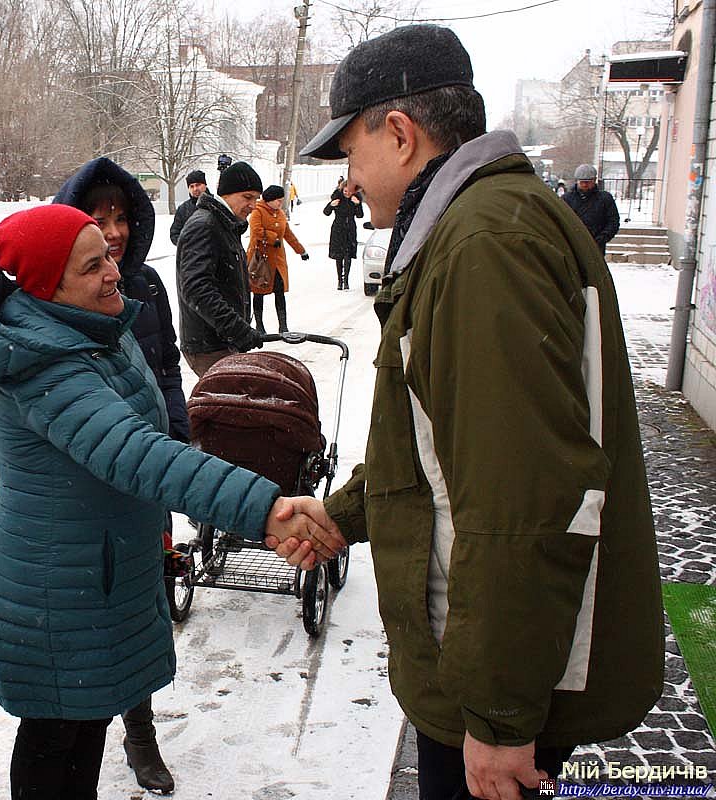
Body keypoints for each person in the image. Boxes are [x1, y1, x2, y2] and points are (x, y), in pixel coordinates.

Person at [284, 24, 663, 800]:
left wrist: (497, 718)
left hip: (488, 685)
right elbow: (441, 447)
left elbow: (519, 495)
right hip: (481, 662)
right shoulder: (477, 228)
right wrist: (342, 514)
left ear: (399, 133)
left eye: (350, 155)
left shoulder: (484, 243)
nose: (349, 182)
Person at [0, 204, 344, 800]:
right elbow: (136, 452)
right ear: (48, 286)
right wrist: (263, 507)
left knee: (82, 733)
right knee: (55, 745)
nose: (113, 272)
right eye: (92, 266)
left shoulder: (92, 330)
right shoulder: (46, 364)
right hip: (59, 589)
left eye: (109, 256)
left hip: (97, 575)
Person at [0, 156, 187, 793]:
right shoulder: (41, 352)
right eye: (96, 230)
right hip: (74, 543)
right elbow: (58, 416)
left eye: (121, 222)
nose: (114, 245)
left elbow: (164, 375)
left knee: (103, 683)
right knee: (61, 717)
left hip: (130, 514)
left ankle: (141, 730)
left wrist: (178, 447)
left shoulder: (137, 291)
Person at [175, 160, 265, 378]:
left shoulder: (225, 224)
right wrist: (237, 329)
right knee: (231, 410)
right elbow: (196, 289)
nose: (253, 205)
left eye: (256, 199)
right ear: (226, 194)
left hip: (222, 342)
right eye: (247, 197)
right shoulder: (205, 225)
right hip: (209, 346)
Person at [247, 184, 309, 333]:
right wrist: (271, 237)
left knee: (279, 292)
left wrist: (301, 250)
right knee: (259, 292)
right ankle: (259, 325)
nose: (280, 203)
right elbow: (256, 231)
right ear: (269, 200)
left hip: (278, 261)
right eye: (278, 200)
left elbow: (288, 234)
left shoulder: (280, 213)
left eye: (281, 200)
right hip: (261, 260)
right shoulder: (258, 211)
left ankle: (283, 325)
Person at [564, 164, 620, 256]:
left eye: (588, 182)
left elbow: (613, 221)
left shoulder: (605, 199)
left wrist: (602, 238)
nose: (585, 185)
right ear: (577, 181)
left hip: (596, 245)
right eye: (582, 182)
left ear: (594, 181)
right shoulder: (567, 199)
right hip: (573, 245)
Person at [323, 181, 364, 290]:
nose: (347, 193)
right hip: (338, 228)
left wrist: (357, 204)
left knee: (348, 255)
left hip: (350, 228)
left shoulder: (355, 199)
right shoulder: (337, 198)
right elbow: (326, 212)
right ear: (342, 190)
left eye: (350, 191)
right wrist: (331, 205)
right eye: (345, 191)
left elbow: (360, 215)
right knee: (339, 255)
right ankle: (339, 281)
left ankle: (346, 280)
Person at [169, 169, 208, 245]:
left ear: (205, 185)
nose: (195, 189)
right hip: (191, 255)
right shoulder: (183, 209)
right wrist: (188, 246)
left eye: (198, 185)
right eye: (191, 186)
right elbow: (175, 233)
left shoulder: (215, 204)